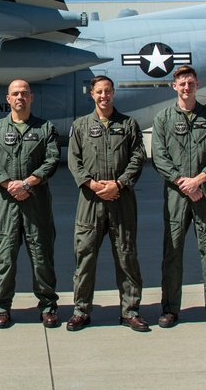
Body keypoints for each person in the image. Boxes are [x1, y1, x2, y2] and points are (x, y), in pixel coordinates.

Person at [151, 65, 206, 329]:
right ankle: (170, 309)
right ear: (174, 87)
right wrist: (181, 181)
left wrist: (199, 179)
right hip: (176, 195)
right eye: (182, 83)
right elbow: (159, 156)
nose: (187, 87)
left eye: (191, 83)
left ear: (197, 85)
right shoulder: (163, 118)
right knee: (172, 252)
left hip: (205, 193)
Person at [66, 75, 148, 332]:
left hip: (121, 199)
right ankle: (81, 311)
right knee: (85, 257)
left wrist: (119, 184)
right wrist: (91, 185)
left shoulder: (128, 124)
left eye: (108, 91)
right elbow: (73, 160)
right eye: (99, 92)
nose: (104, 96)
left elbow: (138, 157)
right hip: (90, 201)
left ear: (113, 93)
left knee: (126, 256)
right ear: (91, 94)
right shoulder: (80, 126)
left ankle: (130, 311)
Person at [0, 79, 60, 329]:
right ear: (8, 99)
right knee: (4, 258)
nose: (20, 98)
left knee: (42, 257)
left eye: (24, 93)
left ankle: (47, 306)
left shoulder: (45, 128)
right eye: (15, 94)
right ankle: (2, 307)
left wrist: (27, 183)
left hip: (36, 203)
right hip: (6, 205)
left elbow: (52, 160)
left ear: (31, 97)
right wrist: (9, 184)